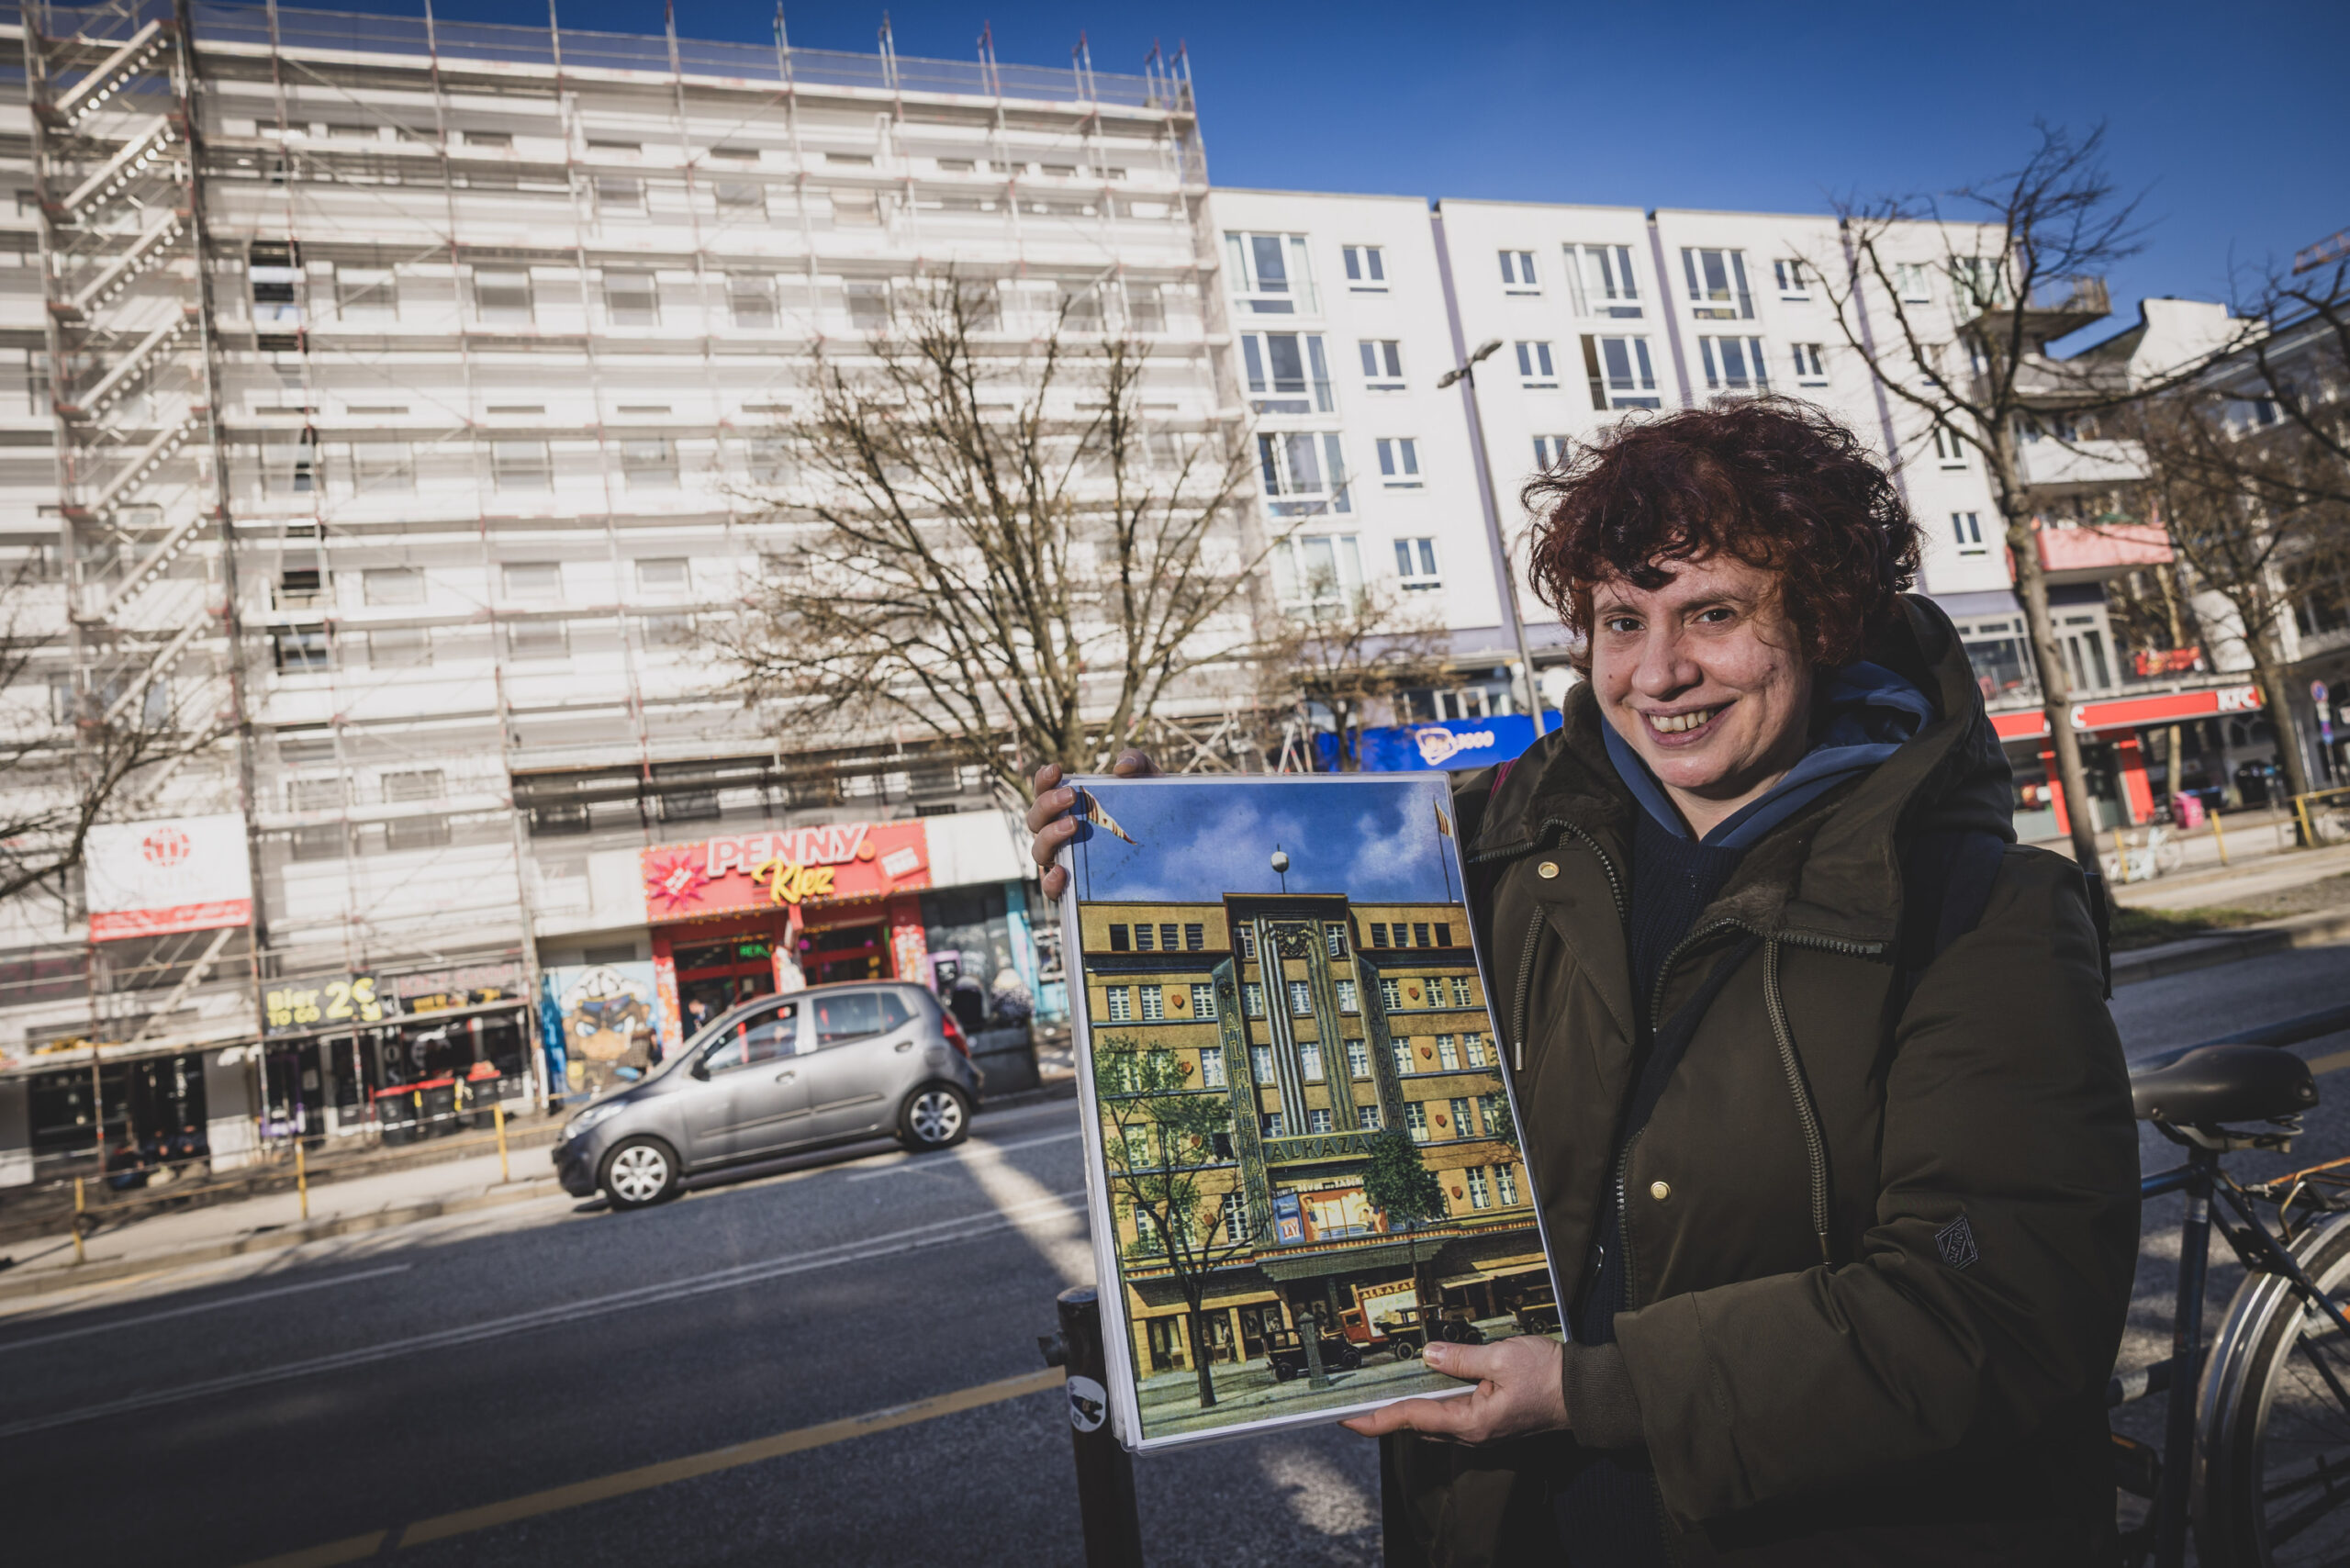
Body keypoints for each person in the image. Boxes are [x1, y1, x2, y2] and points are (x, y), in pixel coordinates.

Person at [1027, 399, 2138, 1564]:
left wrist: (1593, 1391)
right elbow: (1273, 915)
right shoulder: (1480, 860)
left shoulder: (1978, 910)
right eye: (1620, 620)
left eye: (1712, 612)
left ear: (1818, 620)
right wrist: (1134, 839)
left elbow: (2002, 1312)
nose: (1659, 673)